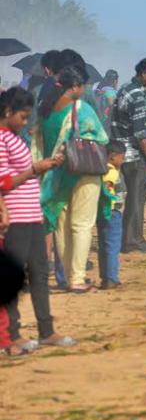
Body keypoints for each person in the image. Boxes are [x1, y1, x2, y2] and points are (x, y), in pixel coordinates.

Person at [0, 86, 74, 354]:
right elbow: (3, 182)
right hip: (15, 217)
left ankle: (46, 330)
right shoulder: (1, 138)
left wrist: (45, 166)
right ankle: (12, 334)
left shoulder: (15, 136)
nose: (25, 121)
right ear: (8, 111)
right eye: (22, 116)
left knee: (40, 273)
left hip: (32, 215)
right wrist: (35, 168)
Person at [38, 66, 108, 293]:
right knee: (82, 225)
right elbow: (102, 137)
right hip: (82, 171)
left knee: (62, 227)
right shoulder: (82, 109)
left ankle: (68, 277)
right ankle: (77, 279)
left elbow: (39, 143)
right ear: (75, 86)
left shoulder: (46, 110)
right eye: (83, 85)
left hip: (55, 176)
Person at [111, 57, 146, 253]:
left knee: (133, 199)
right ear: (143, 74)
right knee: (137, 199)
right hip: (135, 156)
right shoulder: (138, 96)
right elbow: (140, 132)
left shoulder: (125, 89)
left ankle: (128, 239)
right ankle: (134, 241)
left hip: (122, 151)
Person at [96, 140, 125, 290]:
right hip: (111, 213)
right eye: (122, 157)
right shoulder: (111, 171)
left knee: (103, 245)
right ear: (113, 156)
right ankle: (112, 278)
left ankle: (104, 277)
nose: (123, 160)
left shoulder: (101, 169)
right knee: (113, 246)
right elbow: (106, 187)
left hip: (101, 213)